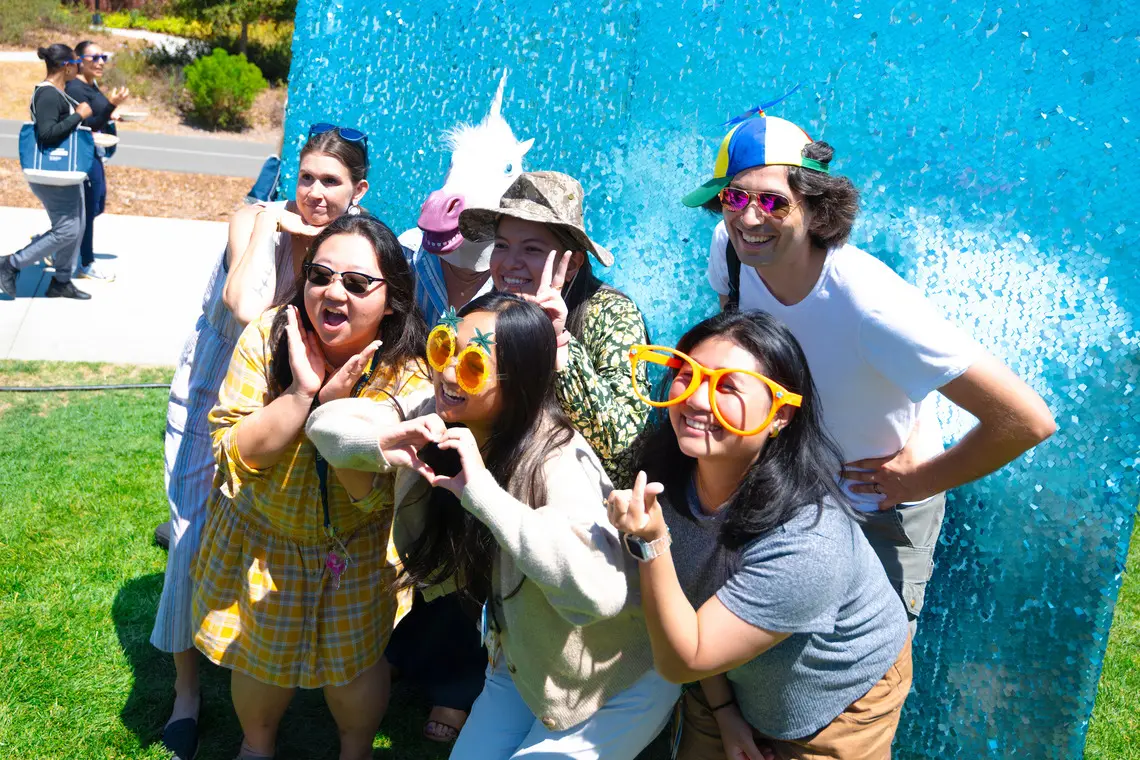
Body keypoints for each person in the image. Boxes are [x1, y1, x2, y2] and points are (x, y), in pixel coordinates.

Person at [684, 111, 1056, 630]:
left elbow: (1026, 420)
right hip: (788, 493)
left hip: (876, 512)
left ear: (815, 207)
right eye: (734, 197)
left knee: (867, 672)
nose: (748, 218)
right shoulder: (733, 252)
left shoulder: (870, 305)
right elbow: (736, 334)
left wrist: (915, 480)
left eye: (772, 201)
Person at [306, 293, 680, 759]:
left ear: (519, 382)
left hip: (620, 679)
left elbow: (599, 594)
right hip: (523, 662)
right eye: (445, 348)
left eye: (473, 366)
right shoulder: (437, 414)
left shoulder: (560, 459)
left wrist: (481, 494)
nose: (446, 372)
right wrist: (385, 440)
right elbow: (324, 425)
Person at [150, 125, 370, 760]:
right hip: (211, 392)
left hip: (285, 404)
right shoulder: (256, 216)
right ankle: (186, 694)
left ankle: (263, 672)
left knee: (261, 537)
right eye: (307, 177)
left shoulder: (347, 242)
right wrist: (273, 232)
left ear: (357, 189)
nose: (314, 193)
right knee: (191, 537)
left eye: (330, 181)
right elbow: (245, 304)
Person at [609, 310, 912, 759]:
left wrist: (651, 544)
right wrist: (725, 711)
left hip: (836, 702)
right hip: (724, 677)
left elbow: (681, 660)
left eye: (727, 386)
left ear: (781, 415)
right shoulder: (667, 477)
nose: (695, 399)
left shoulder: (810, 540)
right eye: (686, 374)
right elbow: (692, 601)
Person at [192, 213, 431, 760]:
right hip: (266, 542)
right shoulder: (270, 333)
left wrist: (331, 414)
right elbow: (233, 455)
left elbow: (368, 494)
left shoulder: (407, 375)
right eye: (320, 275)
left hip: (354, 551)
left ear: (392, 298)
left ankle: (355, 750)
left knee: (355, 668)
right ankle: (257, 747)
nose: (332, 292)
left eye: (356, 283)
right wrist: (302, 395)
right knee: (260, 659)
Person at [459, 170, 650, 486]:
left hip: (586, 504)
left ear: (572, 263)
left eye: (532, 249)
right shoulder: (490, 306)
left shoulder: (611, 314)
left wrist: (560, 342)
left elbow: (621, 441)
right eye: (502, 245)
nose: (509, 263)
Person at [0, 44, 93, 300]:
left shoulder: (58, 93)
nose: (78, 67)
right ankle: (10, 264)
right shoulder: (48, 95)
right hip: (52, 175)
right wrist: (78, 116)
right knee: (67, 230)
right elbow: (47, 134)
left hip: (65, 173)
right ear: (66, 66)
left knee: (77, 226)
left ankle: (61, 281)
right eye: (75, 63)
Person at [66, 40, 129, 282]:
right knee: (87, 209)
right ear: (79, 62)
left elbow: (99, 115)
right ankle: (85, 262)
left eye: (103, 57)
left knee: (96, 206)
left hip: (95, 154)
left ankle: (65, 248)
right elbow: (85, 124)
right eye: (94, 58)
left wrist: (111, 113)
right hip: (83, 154)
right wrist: (111, 105)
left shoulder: (91, 86)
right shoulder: (75, 89)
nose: (101, 62)